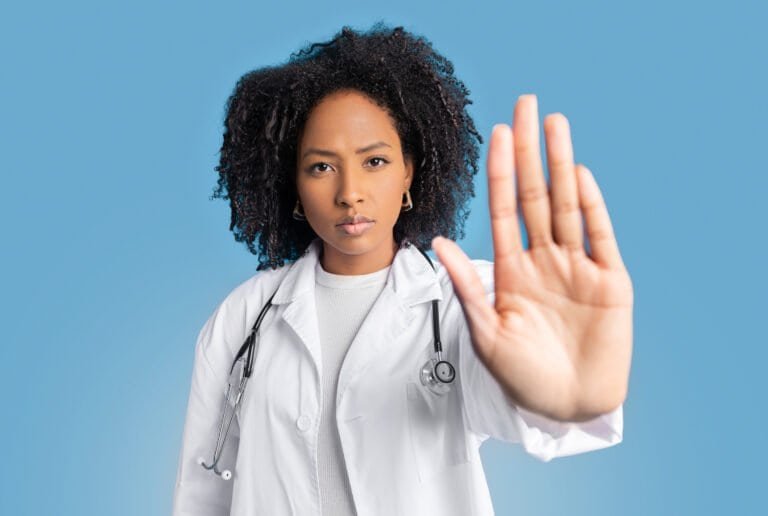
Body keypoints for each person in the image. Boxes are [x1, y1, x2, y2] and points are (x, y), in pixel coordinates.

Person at [172, 22, 634, 516]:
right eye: (321, 167)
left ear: (409, 171)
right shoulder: (244, 318)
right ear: (295, 186)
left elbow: (518, 392)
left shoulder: (465, 303)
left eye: (374, 161)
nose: (350, 192)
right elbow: (202, 495)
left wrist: (567, 394)